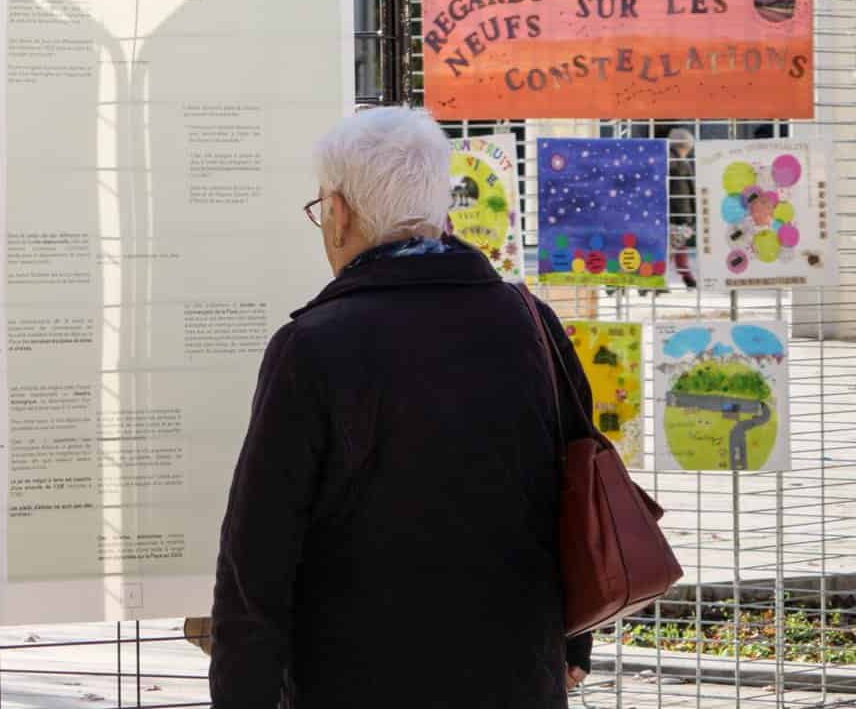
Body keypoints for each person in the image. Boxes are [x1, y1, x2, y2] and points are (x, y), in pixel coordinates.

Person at [204, 107, 590, 708]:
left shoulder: (312, 347)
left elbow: (256, 561)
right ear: (444, 212)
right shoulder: (531, 324)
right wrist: (572, 647)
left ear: (337, 215)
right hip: (517, 678)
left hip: (355, 681)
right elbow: (581, 492)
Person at [667, 128, 697, 290]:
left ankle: (687, 277)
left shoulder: (676, 161)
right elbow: (688, 190)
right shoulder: (677, 163)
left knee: (676, 248)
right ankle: (685, 277)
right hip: (678, 215)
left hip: (676, 215)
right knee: (674, 249)